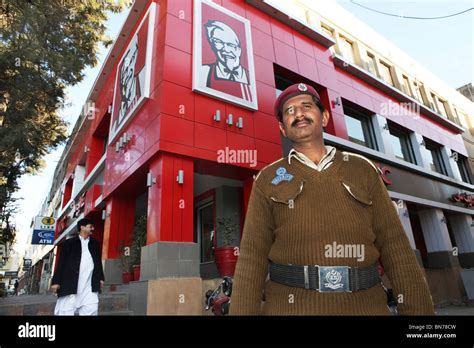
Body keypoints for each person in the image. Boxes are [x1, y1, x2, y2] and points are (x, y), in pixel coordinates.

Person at [230, 83, 435, 315]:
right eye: (289, 111)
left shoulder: (362, 169)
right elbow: (252, 258)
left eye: (306, 106)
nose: (298, 114)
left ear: (325, 117)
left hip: (368, 308)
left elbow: (395, 248)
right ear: (282, 129)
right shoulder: (267, 179)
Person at [51, 218, 105, 315]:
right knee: (66, 311)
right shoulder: (69, 243)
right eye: (90, 226)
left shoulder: (95, 244)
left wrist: (101, 278)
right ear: (82, 227)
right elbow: (61, 263)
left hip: (89, 285)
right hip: (70, 283)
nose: (93, 228)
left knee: (91, 308)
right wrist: (56, 281)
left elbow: (98, 262)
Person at [200, 20, 253, 102]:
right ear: (213, 46)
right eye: (219, 42)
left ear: (239, 50)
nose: (225, 49)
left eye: (230, 45)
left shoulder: (250, 79)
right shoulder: (204, 72)